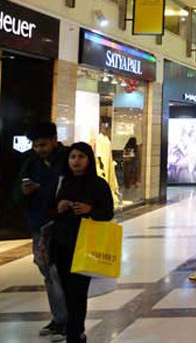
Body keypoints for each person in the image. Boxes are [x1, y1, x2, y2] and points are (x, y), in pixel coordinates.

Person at [51, 142, 114, 343]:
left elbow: (107, 213)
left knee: (77, 292)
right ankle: (73, 330)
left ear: (88, 159)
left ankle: (75, 333)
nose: (76, 161)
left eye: (80, 156)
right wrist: (59, 207)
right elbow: (50, 212)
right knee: (66, 292)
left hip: (85, 244)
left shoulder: (98, 184)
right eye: (72, 157)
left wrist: (90, 211)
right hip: (62, 244)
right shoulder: (63, 183)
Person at [14, 122, 69, 341]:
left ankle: (68, 321)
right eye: (36, 145)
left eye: (43, 144)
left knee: (60, 274)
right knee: (47, 273)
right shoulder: (30, 162)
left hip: (63, 225)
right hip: (40, 226)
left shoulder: (68, 159)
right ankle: (59, 319)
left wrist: (42, 190)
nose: (40, 149)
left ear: (55, 139)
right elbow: (15, 195)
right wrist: (24, 191)